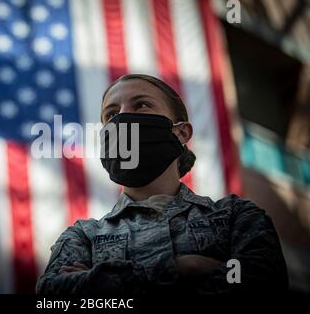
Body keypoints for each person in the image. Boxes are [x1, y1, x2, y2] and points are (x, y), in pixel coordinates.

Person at [36, 74, 288, 295]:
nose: (123, 119)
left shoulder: (237, 217)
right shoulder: (84, 236)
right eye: (111, 114)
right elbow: (54, 298)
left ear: (181, 133)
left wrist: (101, 282)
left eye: (141, 105)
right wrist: (182, 267)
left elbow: (262, 285)